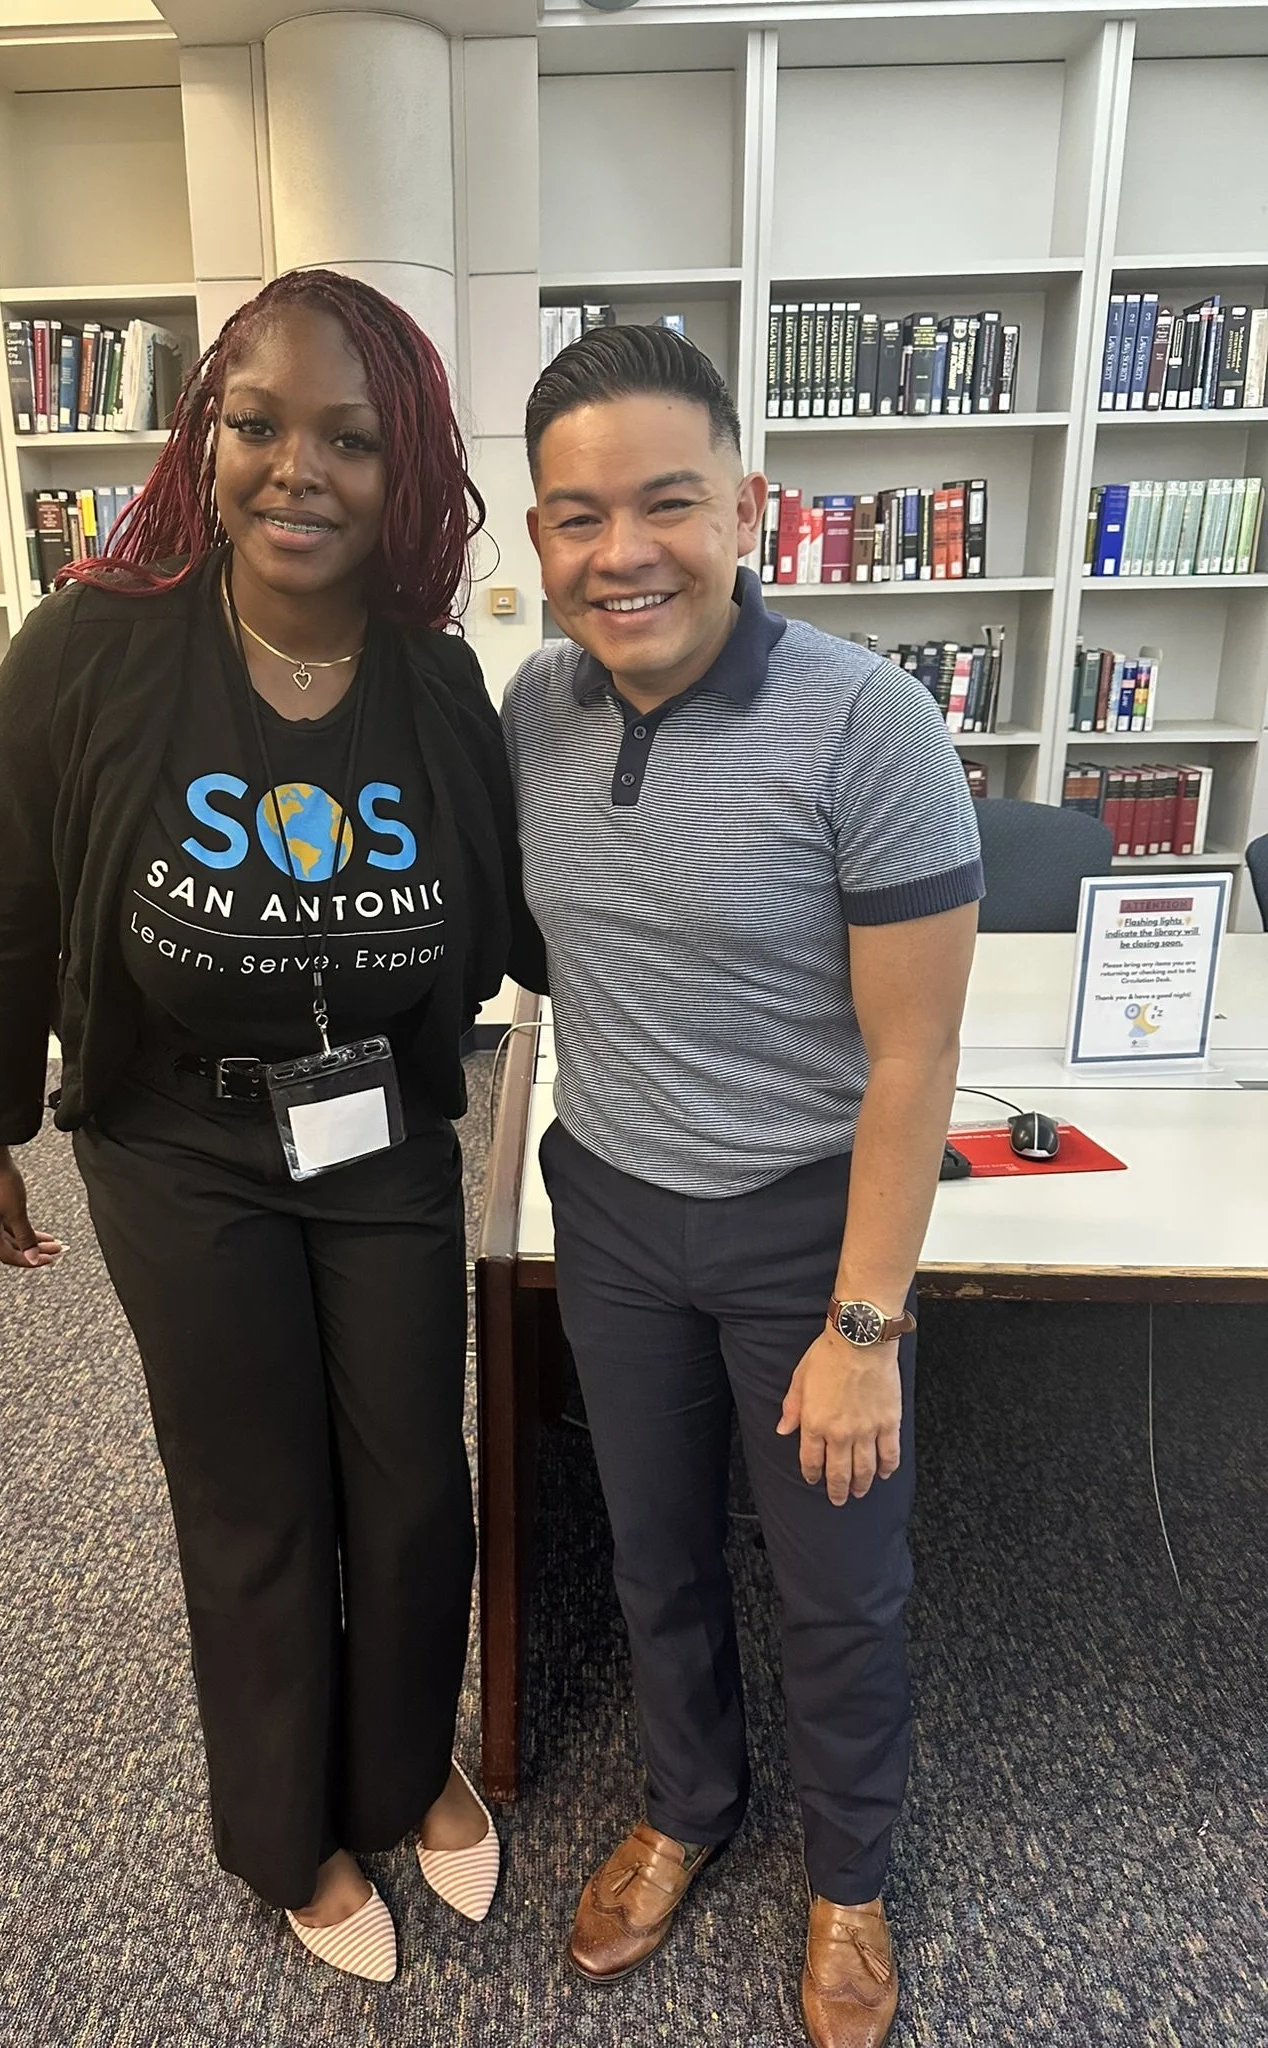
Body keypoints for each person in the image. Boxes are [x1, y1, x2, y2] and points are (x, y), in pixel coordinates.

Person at [0, 269, 540, 1984]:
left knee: (414, 1484)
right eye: (259, 425)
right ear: (204, 440)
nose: (299, 470)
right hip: (179, 1145)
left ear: (403, 466)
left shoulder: (436, 683)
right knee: (254, 1496)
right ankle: (286, 1831)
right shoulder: (89, 651)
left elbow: (512, 919)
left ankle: (401, 1766)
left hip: (379, 1134)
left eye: (349, 440)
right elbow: (11, 912)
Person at [503, 325, 981, 2047]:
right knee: (650, 1551)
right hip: (615, 1209)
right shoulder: (533, 708)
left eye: (667, 504)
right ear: (539, 538)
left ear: (748, 509)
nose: (622, 552)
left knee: (839, 1584)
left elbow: (916, 1061)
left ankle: (850, 1878)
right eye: (579, 518)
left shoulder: (866, 724)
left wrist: (864, 1325)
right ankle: (688, 1807)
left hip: (806, 1230)